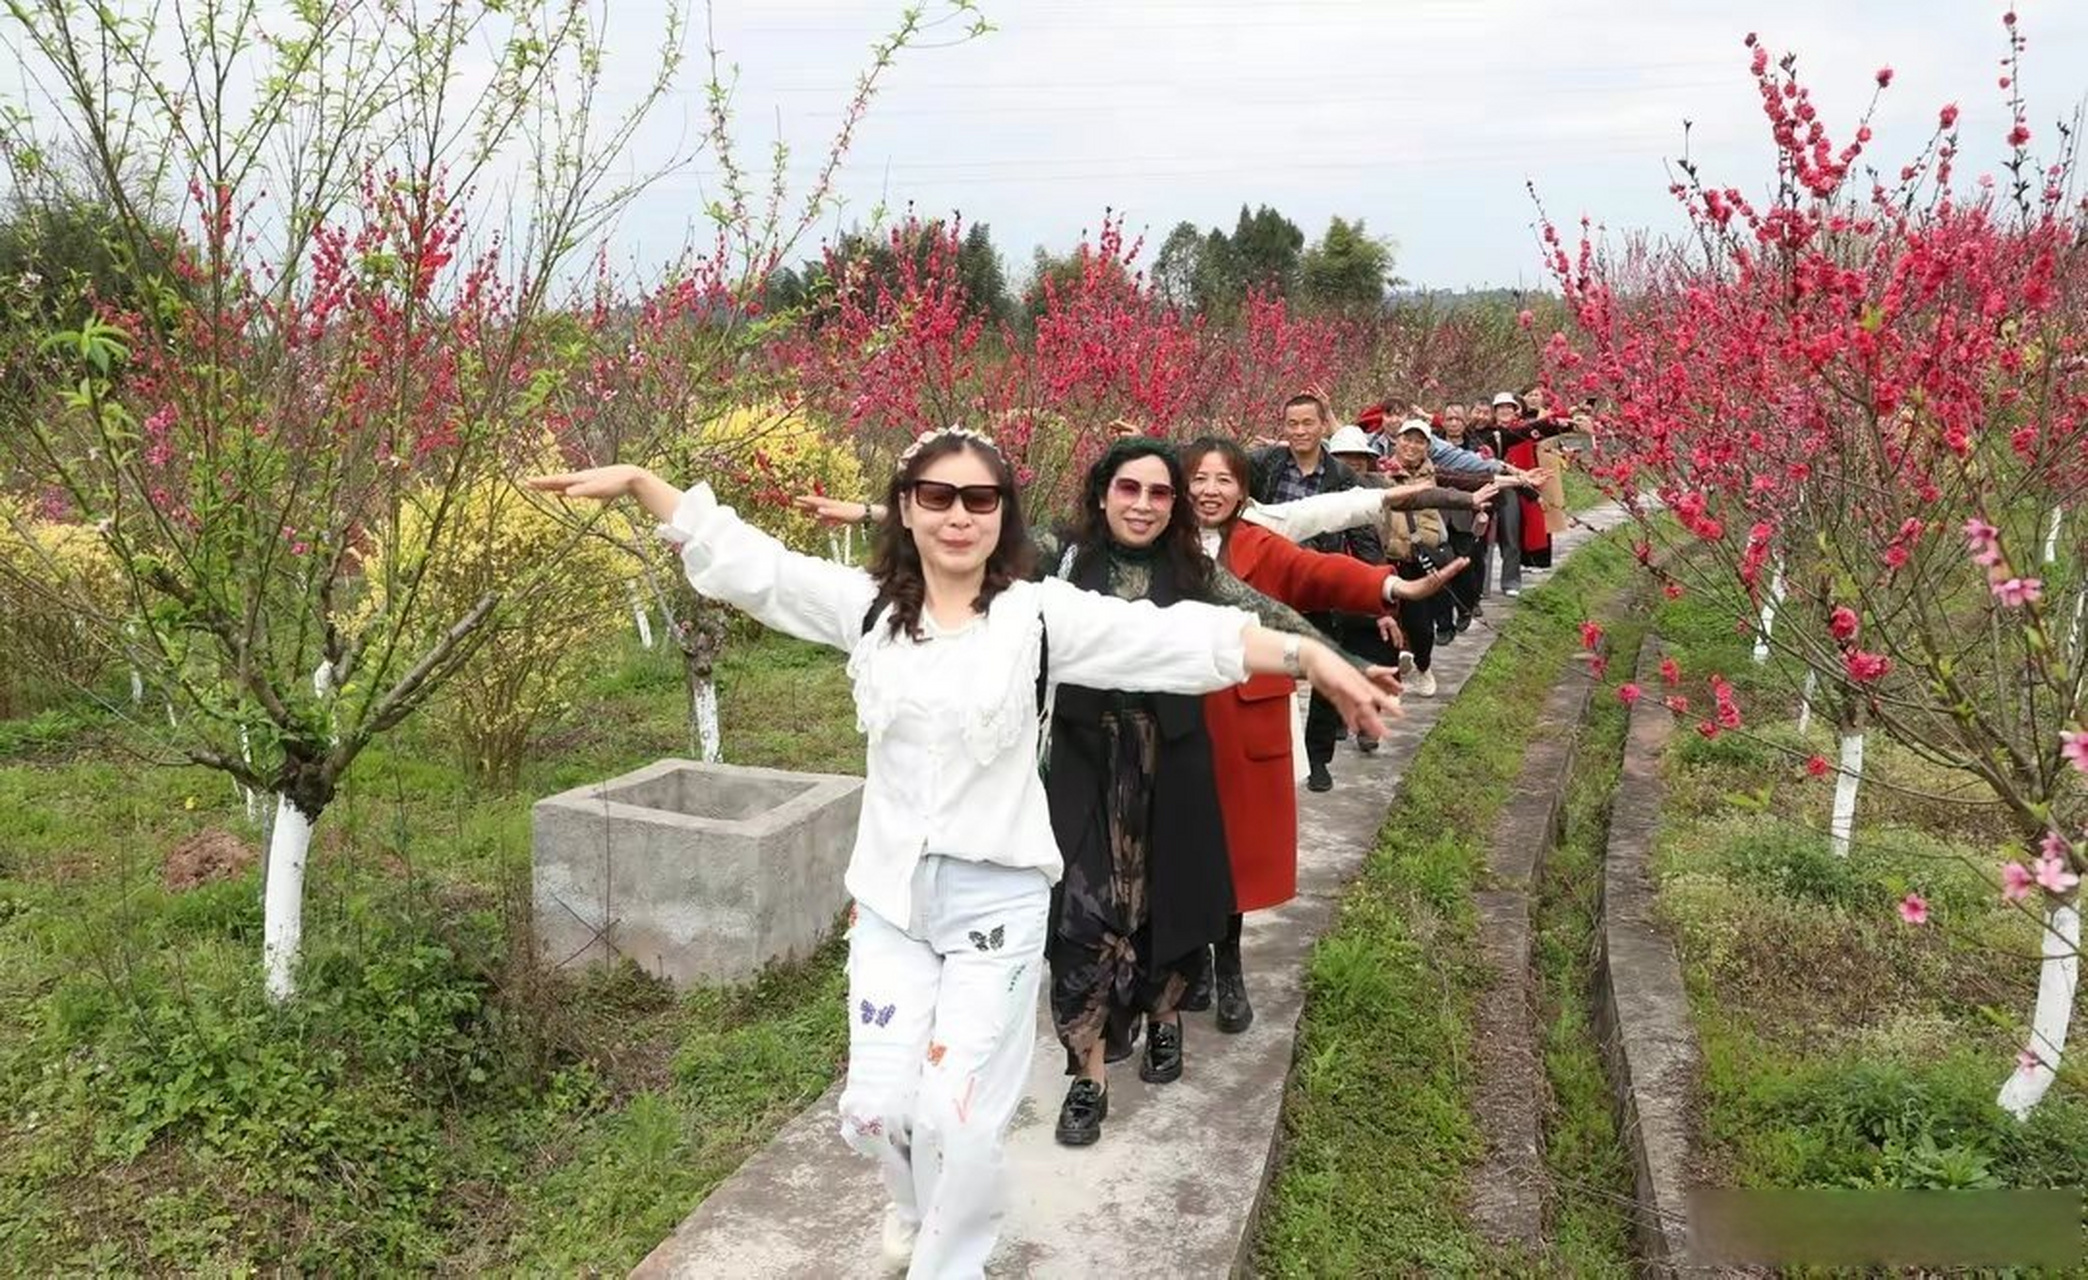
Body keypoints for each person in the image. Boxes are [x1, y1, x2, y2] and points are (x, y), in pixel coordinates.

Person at [526, 429, 1399, 1280]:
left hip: (999, 902)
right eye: (936, 496)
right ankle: (911, 1208)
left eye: (978, 499)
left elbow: (1184, 639)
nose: (957, 516)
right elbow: (759, 568)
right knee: (879, 1110)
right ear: (906, 508)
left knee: (962, 1115)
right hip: (893, 903)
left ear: (1003, 516)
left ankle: (952, 1261)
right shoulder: (866, 610)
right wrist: (647, 485)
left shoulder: (1038, 615)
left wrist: (1311, 659)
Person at [1035, 436, 1391, 1143]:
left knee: (1170, 899)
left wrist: (1343, 665)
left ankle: (1165, 1021)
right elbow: (979, 545)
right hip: (1084, 757)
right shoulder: (1063, 557)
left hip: (1174, 754)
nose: (1142, 506)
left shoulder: (1194, 569)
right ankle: (1088, 1075)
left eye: (1159, 494)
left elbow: (1266, 617)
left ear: (1175, 506)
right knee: (1079, 918)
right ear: (1101, 492)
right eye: (1128, 489)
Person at [1181, 435, 1483, 1029]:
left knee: (1238, 848)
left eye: (1223, 480)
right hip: (1177, 715)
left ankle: (1230, 966)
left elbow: (1318, 571)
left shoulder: (1261, 541)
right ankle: (1190, 960)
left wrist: (1391, 589)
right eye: (1199, 479)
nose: (1210, 491)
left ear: (1243, 489)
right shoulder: (1159, 546)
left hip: (1242, 714)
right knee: (1184, 843)